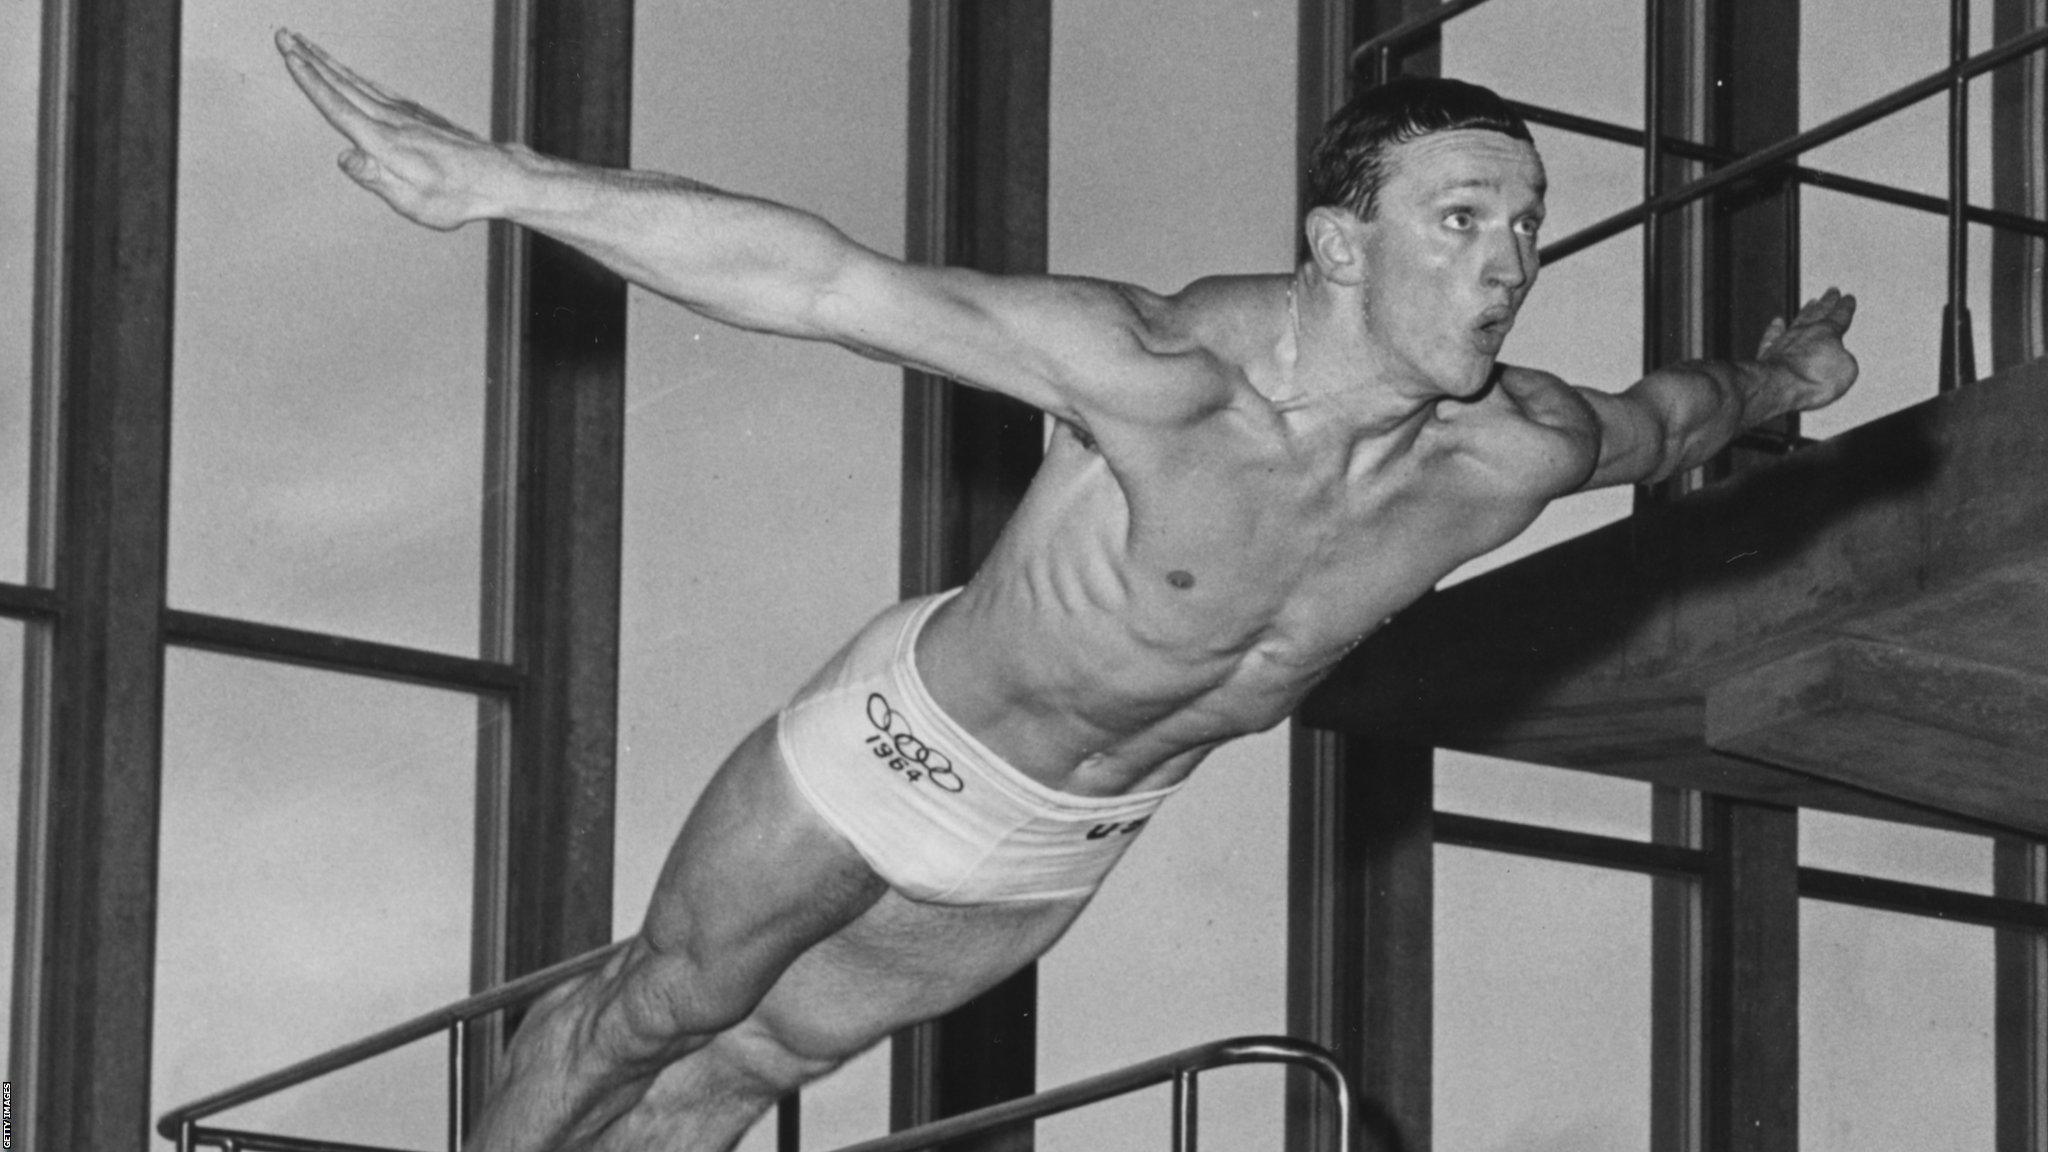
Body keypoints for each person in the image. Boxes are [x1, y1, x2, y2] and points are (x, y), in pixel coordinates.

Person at [276, 30, 1857, 1152]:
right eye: (1459, 220)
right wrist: (509, 184)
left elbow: (1674, 417)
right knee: (654, 1012)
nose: (1507, 263)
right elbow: (826, 282)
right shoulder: (1161, 374)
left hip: (1063, 842)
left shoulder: (1514, 448)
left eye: (1525, 227)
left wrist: (1780, 381)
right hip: (905, 748)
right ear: (1336, 244)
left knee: (744, 1073)